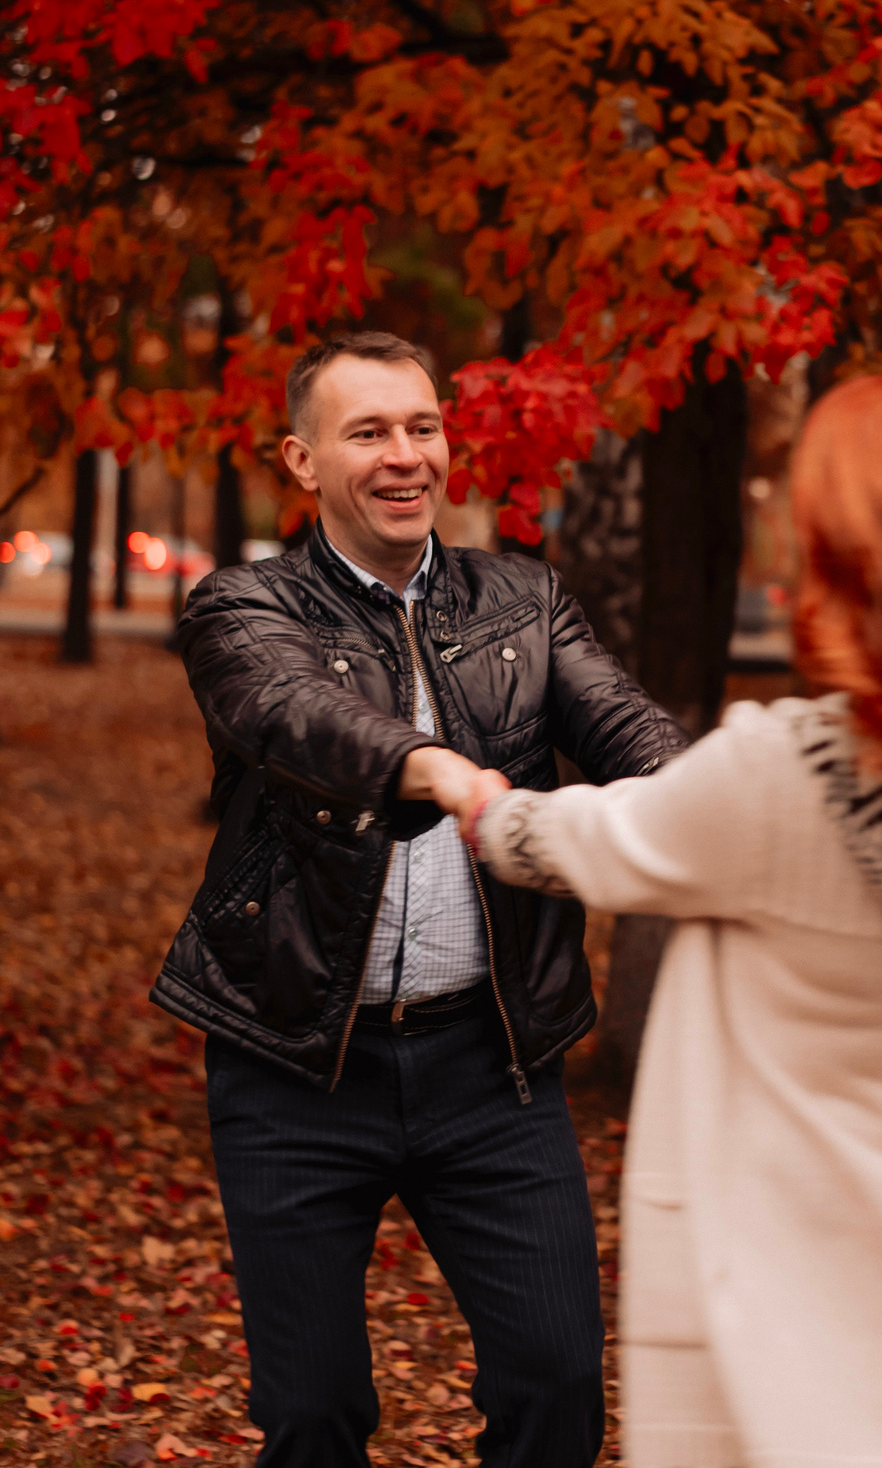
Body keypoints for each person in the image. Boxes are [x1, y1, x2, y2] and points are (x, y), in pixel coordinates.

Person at [451, 366, 882, 1468]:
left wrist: (481, 802)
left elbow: (591, 841)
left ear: (847, 554)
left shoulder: (786, 776)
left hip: (769, 1338)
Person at [154, 327, 690, 1468]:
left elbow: (639, 741)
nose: (405, 456)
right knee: (313, 1415)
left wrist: (747, 804)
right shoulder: (242, 606)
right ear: (300, 461)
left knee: (556, 1389)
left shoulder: (525, 598)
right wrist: (435, 767)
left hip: (491, 1066)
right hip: (297, 1062)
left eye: (423, 426)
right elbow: (294, 714)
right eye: (367, 432)